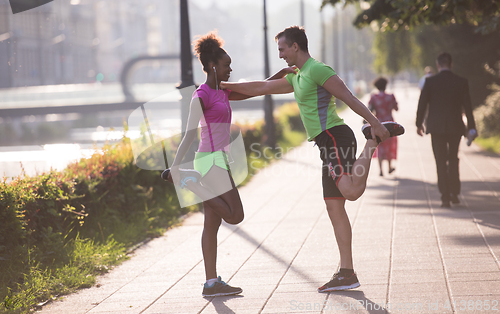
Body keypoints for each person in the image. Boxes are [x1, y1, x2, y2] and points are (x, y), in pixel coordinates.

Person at [221, 26, 404, 292]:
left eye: (282, 49)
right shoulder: (297, 77)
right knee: (334, 207)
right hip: (324, 143)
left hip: (334, 137)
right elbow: (260, 87)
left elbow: (348, 97)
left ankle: (371, 142)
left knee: (350, 192)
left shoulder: (317, 70)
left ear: (296, 46)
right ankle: (347, 273)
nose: (281, 54)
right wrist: (219, 88)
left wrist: (374, 123)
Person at [162, 32, 259, 297]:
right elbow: (189, 133)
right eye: (227, 65)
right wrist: (176, 166)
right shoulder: (201, 95)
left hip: (218, 160)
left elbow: (253, 90)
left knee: (211, 225)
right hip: (209, 161)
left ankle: (210, 283)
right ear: (213, 66)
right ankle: (189, 182)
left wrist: (281, 77)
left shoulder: (223, 92)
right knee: (235, 214)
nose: (231, 69)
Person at [416, 52, 477, 208]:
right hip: (456, 126)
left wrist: (418, 124)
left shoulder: (430, 82)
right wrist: (472, 127)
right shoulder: (461, 82)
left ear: (438, 65)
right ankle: (454, 193)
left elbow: (422, 104)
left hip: (436, 127)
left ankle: (444, 196)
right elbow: (468, 106)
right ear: (451, 64)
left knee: (440, 160)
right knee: (453, 158)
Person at [368, 77, 399, 176]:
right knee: (389, 145)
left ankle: (381, 170)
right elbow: (396, 108)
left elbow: (369, 110)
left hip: (378, 123)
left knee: (379, 146)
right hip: (390, 124)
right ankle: (389, 167)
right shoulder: (391, 97)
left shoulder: (374, 97)